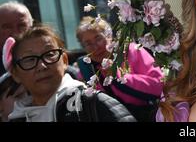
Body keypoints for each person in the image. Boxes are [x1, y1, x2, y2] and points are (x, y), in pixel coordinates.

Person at [5, 25, 136, 122]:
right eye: (30, 59)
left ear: (64, 61)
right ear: (15, 74)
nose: (41, 66)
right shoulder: (17, 118)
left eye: (50, 54)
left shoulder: (92, 104)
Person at [76, 16, 164, 122]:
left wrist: (119, 77)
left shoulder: (131, 51)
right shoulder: (86, 69)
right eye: (88, 44)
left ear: (109, 35)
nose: (95, 47)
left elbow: (160, 86)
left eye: (98, 38)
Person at [0, 1, 33, 77]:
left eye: (22, 25)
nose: (16, 33)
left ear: (32, 27)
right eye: (7, 27)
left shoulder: (51, 56)